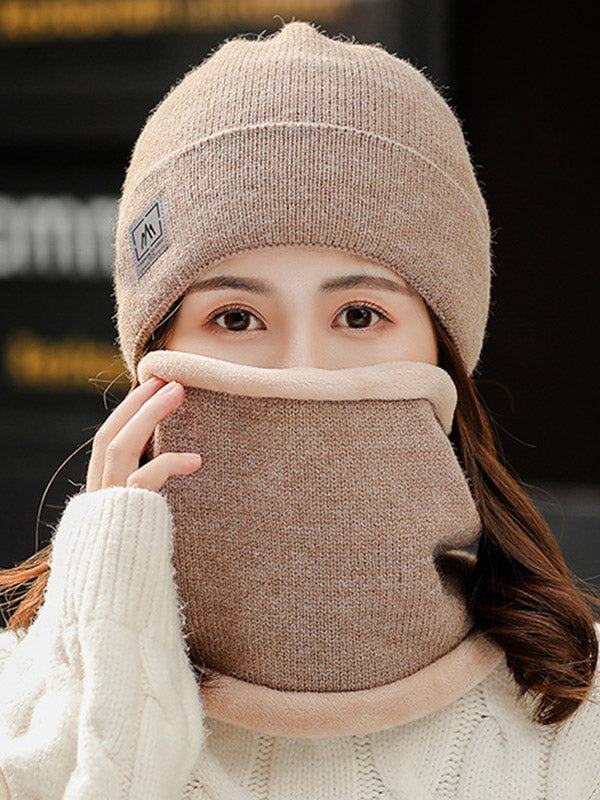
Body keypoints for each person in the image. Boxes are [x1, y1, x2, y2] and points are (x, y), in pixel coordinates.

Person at [0, 19, 599, 800]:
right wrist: (103, 643)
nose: (302, 370)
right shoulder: (19, 702)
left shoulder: (577, 713)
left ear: (443, 350)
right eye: (236, 318)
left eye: (359, 315)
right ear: (156, 348)